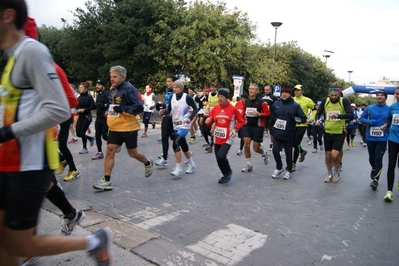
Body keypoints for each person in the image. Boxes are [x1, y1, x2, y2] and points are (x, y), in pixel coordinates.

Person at [0, 2, 110, 265]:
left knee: (20, 242)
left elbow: (62, 105)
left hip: (29, 161)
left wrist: (8, 132)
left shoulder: (32, 52)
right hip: (9, 162)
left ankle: (94, 240)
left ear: (8, 15)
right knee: (6, 241)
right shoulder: (13, 58)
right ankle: (72, 215)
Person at [92, 66, 153, 191]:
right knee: (109, 151)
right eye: (111, 77)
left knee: (132, 153)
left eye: (115, 77)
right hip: (115, 127)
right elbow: (113, 106)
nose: (112, 79)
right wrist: (108, 111)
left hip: (128, 127)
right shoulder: (112, 90)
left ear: (122, 77)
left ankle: (147, 163)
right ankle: (106, 180)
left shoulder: (129, 89)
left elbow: (139, 107)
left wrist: (123, 109)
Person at [205, 88, 245, 183]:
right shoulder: (216, 108)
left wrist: (235, 129)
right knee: (218, 158)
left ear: (227, 98)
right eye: (219, 96)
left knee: (221, 155)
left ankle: (228, 171)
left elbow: (241, 121)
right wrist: (208, 121)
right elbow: (210, 119)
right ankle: (225, 174)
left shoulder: (233, 109)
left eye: (222, 97)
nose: (220, 98)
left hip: (228, 137)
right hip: (217, 136)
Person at [315, 88, 353, 183]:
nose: (334, 97)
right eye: (332, 95)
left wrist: (339, 116)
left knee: (334, 154)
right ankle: (329, 173)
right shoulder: (325, 101)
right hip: (327, 131)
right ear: (329, 94)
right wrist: (317, 120)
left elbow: (350, 115)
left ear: (339, 94)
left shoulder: (344, 101)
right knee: (328, 156)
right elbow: (318, 113)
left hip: (339, 131)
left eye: (336, 95)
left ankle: (336, 171)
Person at [270, 85, 307, 179]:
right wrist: (273, 122)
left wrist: (294, 118)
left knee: (288, 153)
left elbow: (303, 118)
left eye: (286, 92)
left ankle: (288, 170)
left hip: (289, 132)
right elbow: (272, 114)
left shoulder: (295, 105)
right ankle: (279, 168)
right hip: (277, 131)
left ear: (289, 94)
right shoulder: (277, 103)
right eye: (282, 92)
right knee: (275, 150)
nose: (284, 94)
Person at [162, 80, 198, 177]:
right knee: (183, 144)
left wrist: (190, 118)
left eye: (176, 87)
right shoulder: (172, 97)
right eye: (173, 87)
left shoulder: (187, 97)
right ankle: (192, 164)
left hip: (184, 124)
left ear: (181, 88)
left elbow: (195, 109)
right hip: (176, 124)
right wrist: (163, 112)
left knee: (176, 143)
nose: (174, 89)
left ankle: (178, 168)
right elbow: (169, 110)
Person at [359, 90, 389, 193]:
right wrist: (371, 122)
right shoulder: (370, 108)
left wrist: (387, 126)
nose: (379, 97)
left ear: (385, 97)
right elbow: (361, 119)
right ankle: (373, 168)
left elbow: (392, 121)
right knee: (372, 158)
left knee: (378, 157)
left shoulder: (389, 109)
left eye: (382, 95)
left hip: (383, 138)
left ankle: (376, 180)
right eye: (378, 95)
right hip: (370, 137)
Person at [241, 83, 270, 173]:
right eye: (250, 88)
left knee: (256, 148)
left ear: (257, 91)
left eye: (253, 89)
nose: (251, 90)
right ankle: (249, 165)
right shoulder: (246, 101)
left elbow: (268, 113)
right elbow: (243, 113)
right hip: (248, 126)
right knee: (246, 145)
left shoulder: (262, 102)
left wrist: (260, 114)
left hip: (258, 127)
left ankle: (264, 153)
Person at [155, 75, 177, 166]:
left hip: (175, 118)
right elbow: (165, 104)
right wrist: (161, 108)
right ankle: (164, 158)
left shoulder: (177, 93)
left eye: (169, 81)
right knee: (164, 137)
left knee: (175, 138)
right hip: (166, 117)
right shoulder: (167, 91)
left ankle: (187, 152)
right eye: (167, 81)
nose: (167, 83)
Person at [292, 84, 315, 172]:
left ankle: (293, 163)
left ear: (302, 91)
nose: (296, 92)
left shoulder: (307, 100)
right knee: (292, 143)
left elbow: (315, 109)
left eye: (298, 90)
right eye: (295, 90)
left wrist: (311, 118)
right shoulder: (292, 99)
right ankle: (302, 151)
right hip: (292, 124)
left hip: (302, 125)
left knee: (296, 143)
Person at [382, 87, 399, 201]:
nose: (397, 96)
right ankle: (389, 191)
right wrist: (385, 124)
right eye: (396, 93)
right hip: (393, 139)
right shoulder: (393, 107)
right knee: (391, 165)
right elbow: (389, 118)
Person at [92, 78, 110, 160]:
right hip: (98, 118)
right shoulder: (98, 95)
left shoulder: (107, 94)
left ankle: (116, 143)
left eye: (99, 85)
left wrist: (107, 111)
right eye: (96, 84)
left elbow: (112, 104)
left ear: (103, 86)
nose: (97, 86)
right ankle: (100, 152)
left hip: (105, 118)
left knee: (105, 136)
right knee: (97, 135)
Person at [75, 82, 95, 154]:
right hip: (81, 116)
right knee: (78, 133)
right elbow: (76, 105)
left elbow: (93, 106)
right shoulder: (79, 97)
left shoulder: (89, 97)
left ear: (86, 89)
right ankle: (90, 138)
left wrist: (85, 109)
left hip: (87, 116)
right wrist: (78, 109)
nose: (80, 89)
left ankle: (85, 148)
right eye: (79, 87)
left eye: (81, 88)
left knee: (82, 132)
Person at [202, 82, 219, 152]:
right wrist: (205, 105)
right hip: (208, 114)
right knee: (204, 130)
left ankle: (211, 145)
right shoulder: (208, 95)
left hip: (215, 114)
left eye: (213, 87)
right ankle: (209, 142)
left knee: (212, 129)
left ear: (216, 88)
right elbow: (206, 103)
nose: (212, 89)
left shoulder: (218, 95)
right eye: (211, 87)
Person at [261, 84, 278, 151]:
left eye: (267, 90)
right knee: (261, 129)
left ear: (270, 90)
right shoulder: (262, 97)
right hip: (263, 115)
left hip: (271, 116)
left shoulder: (274, 98)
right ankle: (260, 142)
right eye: (265, 90)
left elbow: (276, 107)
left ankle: (272, 143)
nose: (266, 91)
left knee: (271, 131)